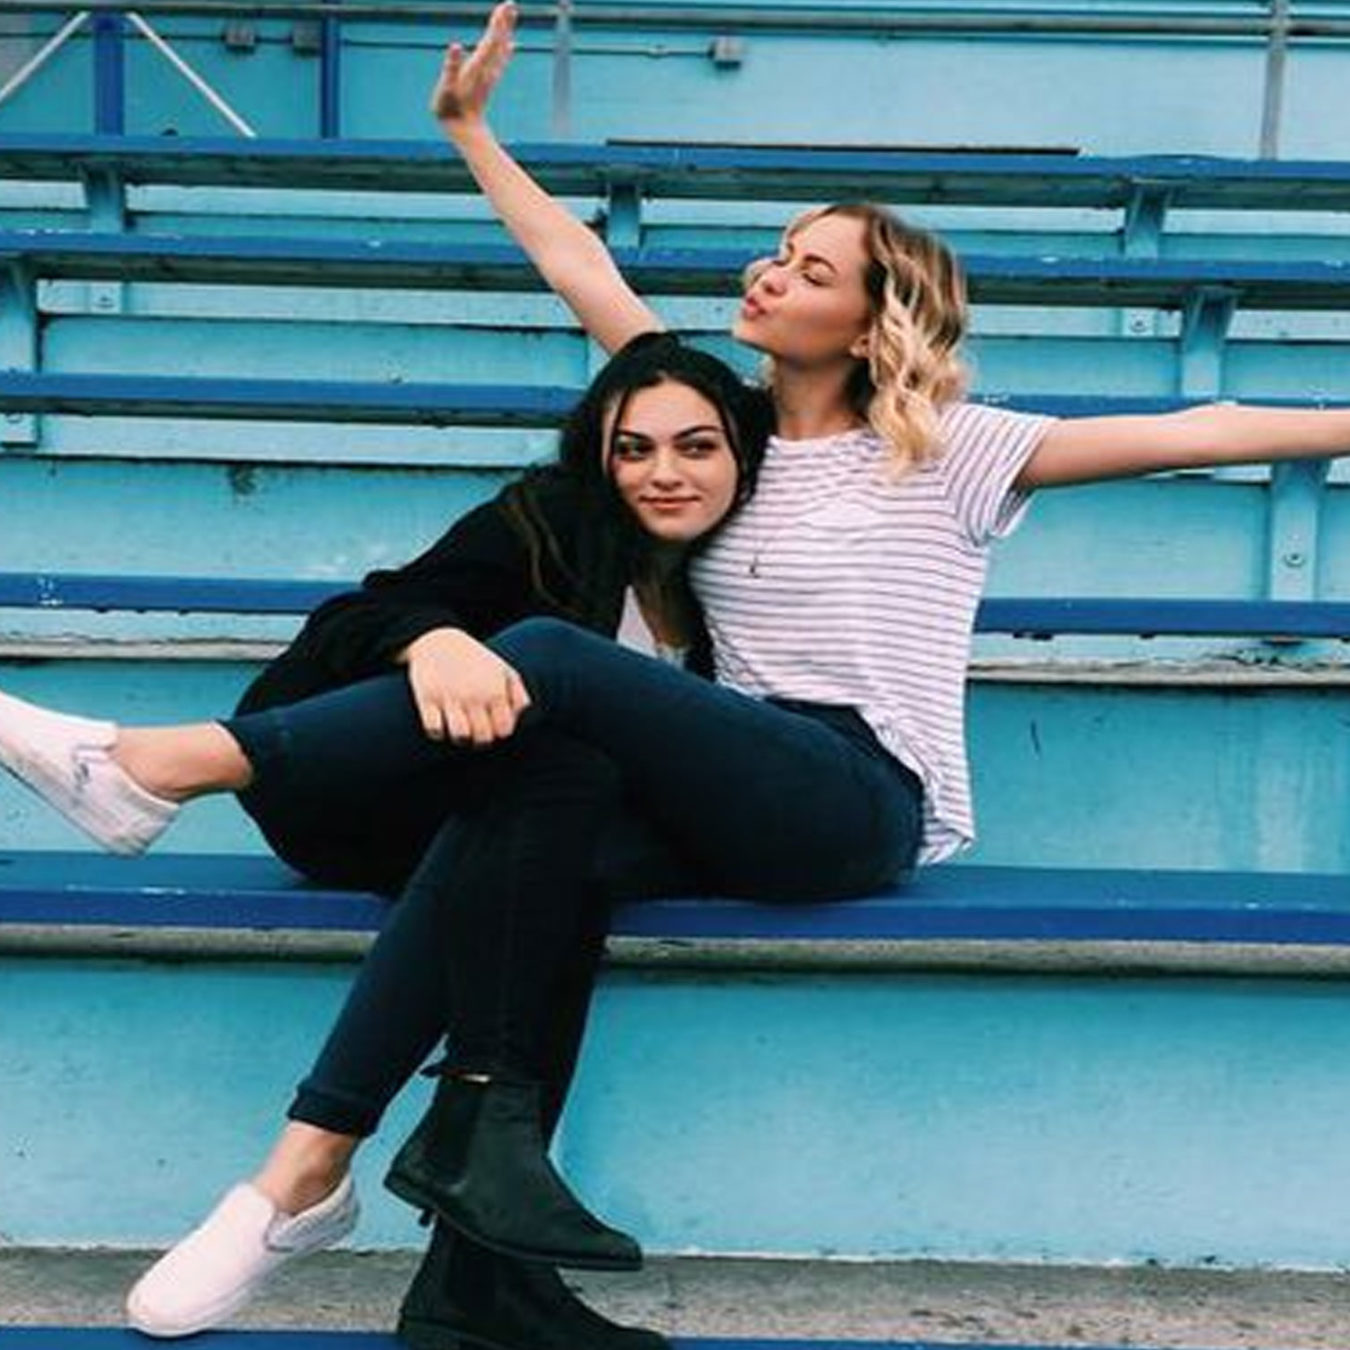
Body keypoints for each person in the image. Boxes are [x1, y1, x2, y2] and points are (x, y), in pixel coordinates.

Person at [11, 3, 1350, 1345]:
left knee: (550, 664)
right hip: (723, 780)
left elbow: (1204, 426)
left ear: (872, 323)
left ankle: (165, 764)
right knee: (519, 821)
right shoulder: (725, 438)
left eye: (810, 269)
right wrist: (471, 133)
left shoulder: (950, 449)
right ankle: (439, 1260)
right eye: (776, 251)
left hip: (852, 794)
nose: (770, 273)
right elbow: (578, 267)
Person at [0, 334, 769, 1346]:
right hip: (350, 791)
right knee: (555, 800)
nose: (663, 473)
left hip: (515, 823)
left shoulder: (733, 590)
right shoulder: (550, 519)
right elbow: (364, 613)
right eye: (634, 449)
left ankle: (473, 1286)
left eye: (696, 446)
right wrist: (434, 639)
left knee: (554, 863)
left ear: (742, 455)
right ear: (599, 456)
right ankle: (312, 1173)